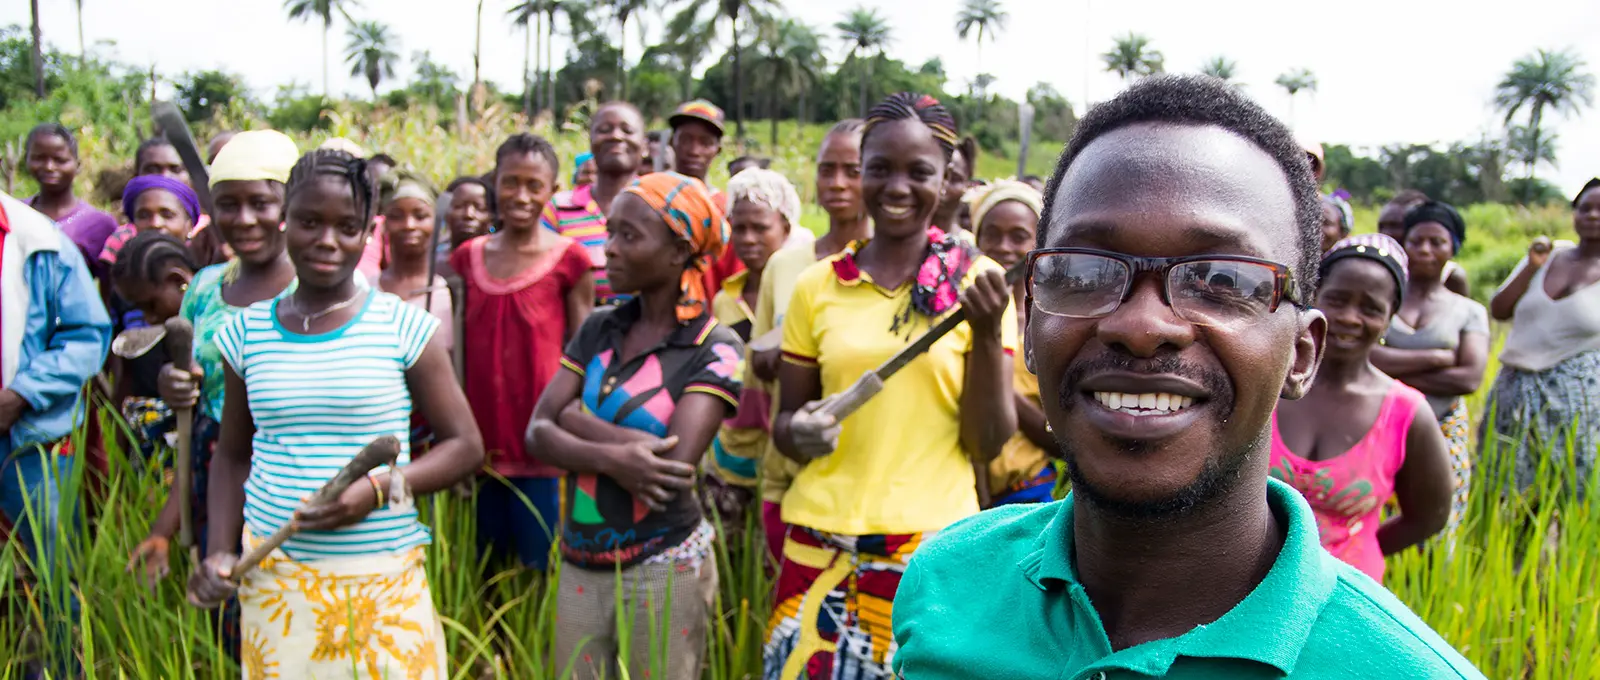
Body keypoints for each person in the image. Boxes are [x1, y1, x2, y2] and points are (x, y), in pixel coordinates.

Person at [890, 75, 1482, 679]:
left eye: (1223, 281)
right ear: (1031, 319)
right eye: (1085, 271)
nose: (1142, 325)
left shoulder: (1399, 670)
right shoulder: (948, 581)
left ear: (1302, 354)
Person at [186, 149, 484, 677]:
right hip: (278, 577)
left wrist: (372, 493)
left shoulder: (401, 327)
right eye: (309, 222)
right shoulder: (246, 332)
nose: (327, 241)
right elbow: (232, 456)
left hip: (381, 577)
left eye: (346, 227)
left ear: (368, 233)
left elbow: (465, 447)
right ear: (286, 221)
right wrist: (217, 552)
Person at [768, 93, 1017, 679]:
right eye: (879, 168)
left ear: (947, 178)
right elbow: (785, 426)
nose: (897, 187)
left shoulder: (977, 283)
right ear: (861, 173)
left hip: (928, 547)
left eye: (919, 172)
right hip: (817, 542)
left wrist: (984, 335)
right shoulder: (816, 286)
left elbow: (986, 443)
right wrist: (799, 432)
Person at [527, 171, 742, 680]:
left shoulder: (716, 348)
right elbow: (536, 430)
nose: (609, 250)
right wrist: (615, 456)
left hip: (664, 563)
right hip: (580, 558)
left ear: (677, 252)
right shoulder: (599, 326)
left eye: (629, 236)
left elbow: (670, 468)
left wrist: (574, 421)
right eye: (609, 233)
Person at [133, 129, 303, 590]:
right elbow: (192, 410)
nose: (244, 218)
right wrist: (175, 382)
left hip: (291, 471)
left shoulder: (312, 291)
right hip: (215, 470)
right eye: (228, 204)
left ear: (288, 205)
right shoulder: (205, 287)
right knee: (221, 594)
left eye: (260, 203)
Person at [1273, 233, 1454, 582]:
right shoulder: (1269, 384)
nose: (1350, 318)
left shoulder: (1406, 413)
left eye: (1370, 308)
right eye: (1338, 300)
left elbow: (1430, 515)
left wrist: (1359, 550)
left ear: (1389, 320)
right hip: (1247, 590)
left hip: (1344, 596)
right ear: (1313, 300)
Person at [454, 134, 594, 570]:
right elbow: (456, 352)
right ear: (495, 182)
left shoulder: (570, 259)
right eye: (510, 182)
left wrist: (578, 442)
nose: (521, 195)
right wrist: (456, 437)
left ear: (552, 191)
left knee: (542, 568)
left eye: (534, 185)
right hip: (481, 446)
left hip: (543, 448)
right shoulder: (467, 257)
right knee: (484, 571)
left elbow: (582, 352)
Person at [0, 189, 112, 672]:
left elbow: (86, 335)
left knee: (46, 573)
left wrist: (19, 395)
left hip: (28, 439)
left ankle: (54, 668)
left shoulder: (38, 241)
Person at [749, 118, 869, 561]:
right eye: (826, 169)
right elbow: (757, 371)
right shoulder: (785, 265)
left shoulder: (906, 272)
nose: (837, 183)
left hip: (868, 477)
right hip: (789, 470)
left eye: (852, 170)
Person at [1373, 201, 1489, 533]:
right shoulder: (1383, 298)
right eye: (1416, 240)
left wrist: (1387, 370)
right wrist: (1438, 358)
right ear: (1404, 244)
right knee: (1373, 521)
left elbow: (1468, 377)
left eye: (1436, 242)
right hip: (1376, 425)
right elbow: (1360, 358)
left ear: (1453, 246)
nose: (1425, 249)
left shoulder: (1469, 311)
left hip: (1444, 427)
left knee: (1434, 521)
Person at [1483, 178, 1600, 497]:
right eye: (1585, 208)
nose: (1592, 215)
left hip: (1576, 403)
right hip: (1515, 390)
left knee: (1568, 493)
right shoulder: (1548, 254)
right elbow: (1500, 308)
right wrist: (1530, 267)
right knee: (1503, 488)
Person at [705, 168, 801, 524]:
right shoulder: (723, 300)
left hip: (785, 454)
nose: (748, 238)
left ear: (786, 229)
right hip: (732, 449)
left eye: (760, 228)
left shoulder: (801, 294)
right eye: (739, 227)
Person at [969, 179, 1059, 506]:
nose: (1004, 247)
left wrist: (996, 380)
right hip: (956, 495)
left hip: (1027, 494)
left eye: (1019, 236)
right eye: (991, 234)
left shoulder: (1050, 324)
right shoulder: (952, 320)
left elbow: (1060, 440)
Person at [543, 101, 646, 306]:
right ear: (590, 142)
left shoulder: (660, 205)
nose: (616, 136)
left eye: (627, 130)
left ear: (643, 145)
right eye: (604, 130)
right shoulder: (558, 208)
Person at [669, 99, 746, 295]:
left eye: (705, 142)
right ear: (672, 141)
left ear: (717, 150)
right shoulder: (652, 199)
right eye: (686, 139)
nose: (694, 150)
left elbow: (735, 275)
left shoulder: (728, 208)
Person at [378, 169, 453, 350]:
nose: (409, 225)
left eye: (420, 216)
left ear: (435, 222)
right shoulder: (366, 291)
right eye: (397, 217)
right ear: (385, 223)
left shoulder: (448, 292)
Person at [24, 123, 120, 259]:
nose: (49, 167)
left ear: (78, 165)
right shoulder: (14, 213)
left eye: (60, 160)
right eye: (39, 158)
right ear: (26, 160)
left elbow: (110, 279)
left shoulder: (99, 224)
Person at [1380, 190, 1469, 297]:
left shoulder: (1449, 275)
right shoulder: (1378, 266)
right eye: (1382, 226)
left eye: (1396, 226)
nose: (1386, 233)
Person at [101, 175, 201, 264]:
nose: (155, 223)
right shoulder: (125, 272)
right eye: (143, 216)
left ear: (189, 225)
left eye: (167, 215)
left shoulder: (206, 272)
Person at [931, 136, 978, 237]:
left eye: (954, 179)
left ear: (968, 185)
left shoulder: (971, 248)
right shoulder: (896, 243)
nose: (942, 187)